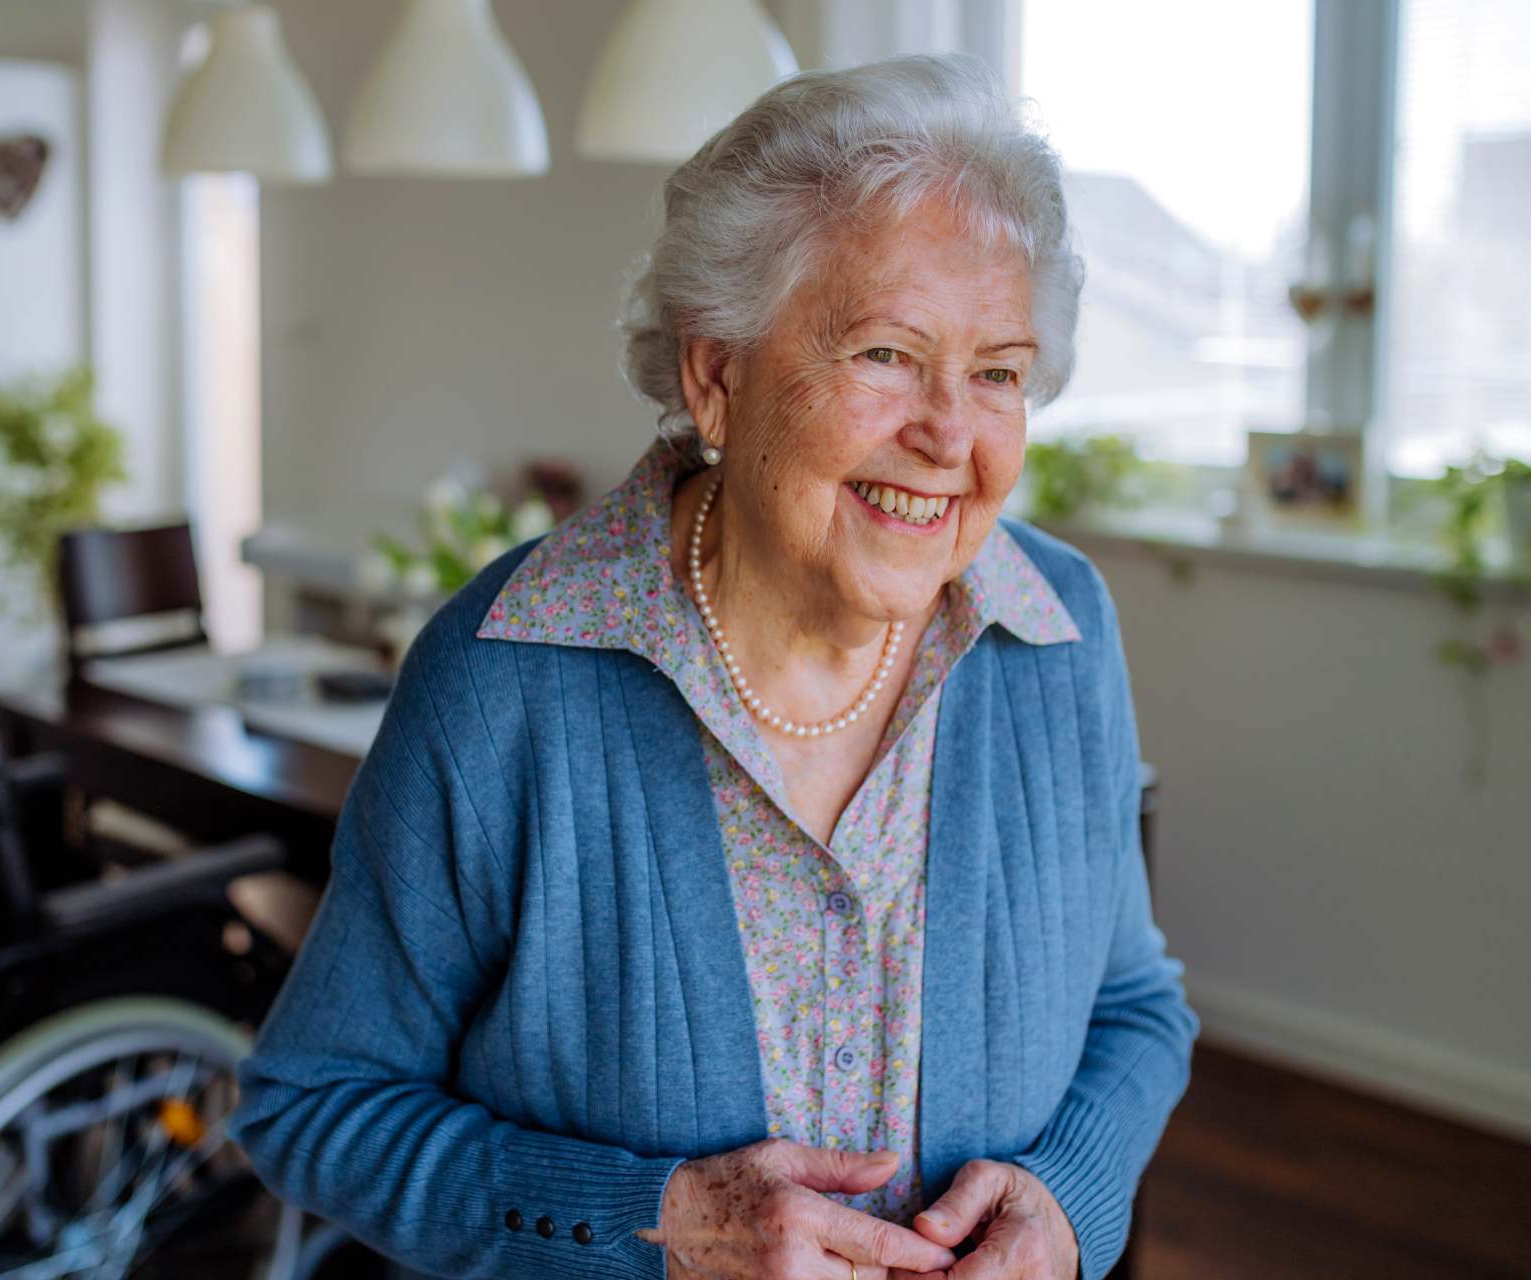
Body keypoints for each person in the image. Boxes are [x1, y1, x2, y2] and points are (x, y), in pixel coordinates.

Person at [232, 51, 1198, 1280]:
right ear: (718, 377)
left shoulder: (1057, 628)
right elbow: (314, 1102)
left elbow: (1135, 1006)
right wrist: (660, 1220)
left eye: (998, 372)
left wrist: (1067, 1202)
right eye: (887, 354)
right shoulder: (509, 679)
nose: (949, 433)